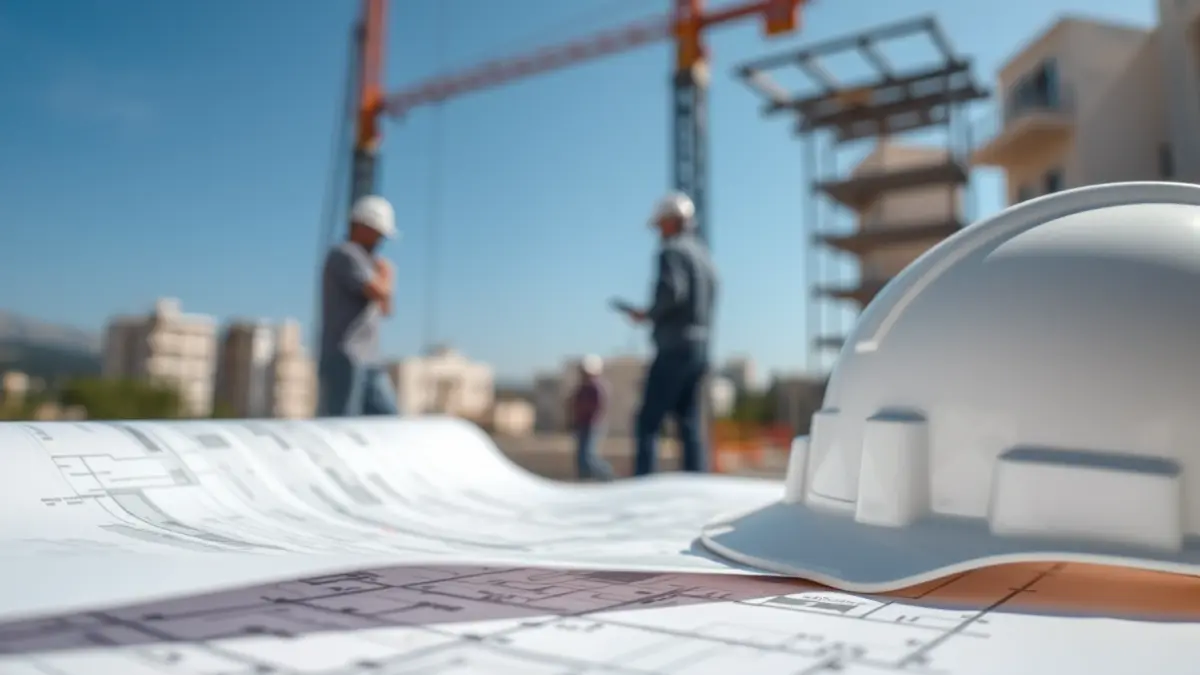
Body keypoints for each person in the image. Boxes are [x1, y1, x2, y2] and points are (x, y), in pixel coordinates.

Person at [618, 191, 718, 476]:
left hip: (674, 348)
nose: (659, 231)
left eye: (660, 224)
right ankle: (697, 484)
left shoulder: (672, 251)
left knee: (647, 423)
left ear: (673, 221)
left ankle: (642, 486)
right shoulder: (705, 258)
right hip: (700, 349)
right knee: (689, 423)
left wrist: (648, 314)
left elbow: (672, 292)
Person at [317, 194, 400, 417]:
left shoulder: (370, 263)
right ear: (363, 226)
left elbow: (386, 308)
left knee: (390, 419)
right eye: (378, 233)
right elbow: (378, 291)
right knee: (343, 422)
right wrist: (387, 275)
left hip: (371, 359)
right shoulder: (345, 254)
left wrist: (383, 279)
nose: (380, 240)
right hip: (346, 357)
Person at [569, 355, 614, 481]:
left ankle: (608, 476)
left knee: (589, 457)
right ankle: (585, 480)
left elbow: (598, 408)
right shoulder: (582, 388)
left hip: (592, 425)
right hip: (582, 425)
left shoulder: (596, 388)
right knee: (581, 457)